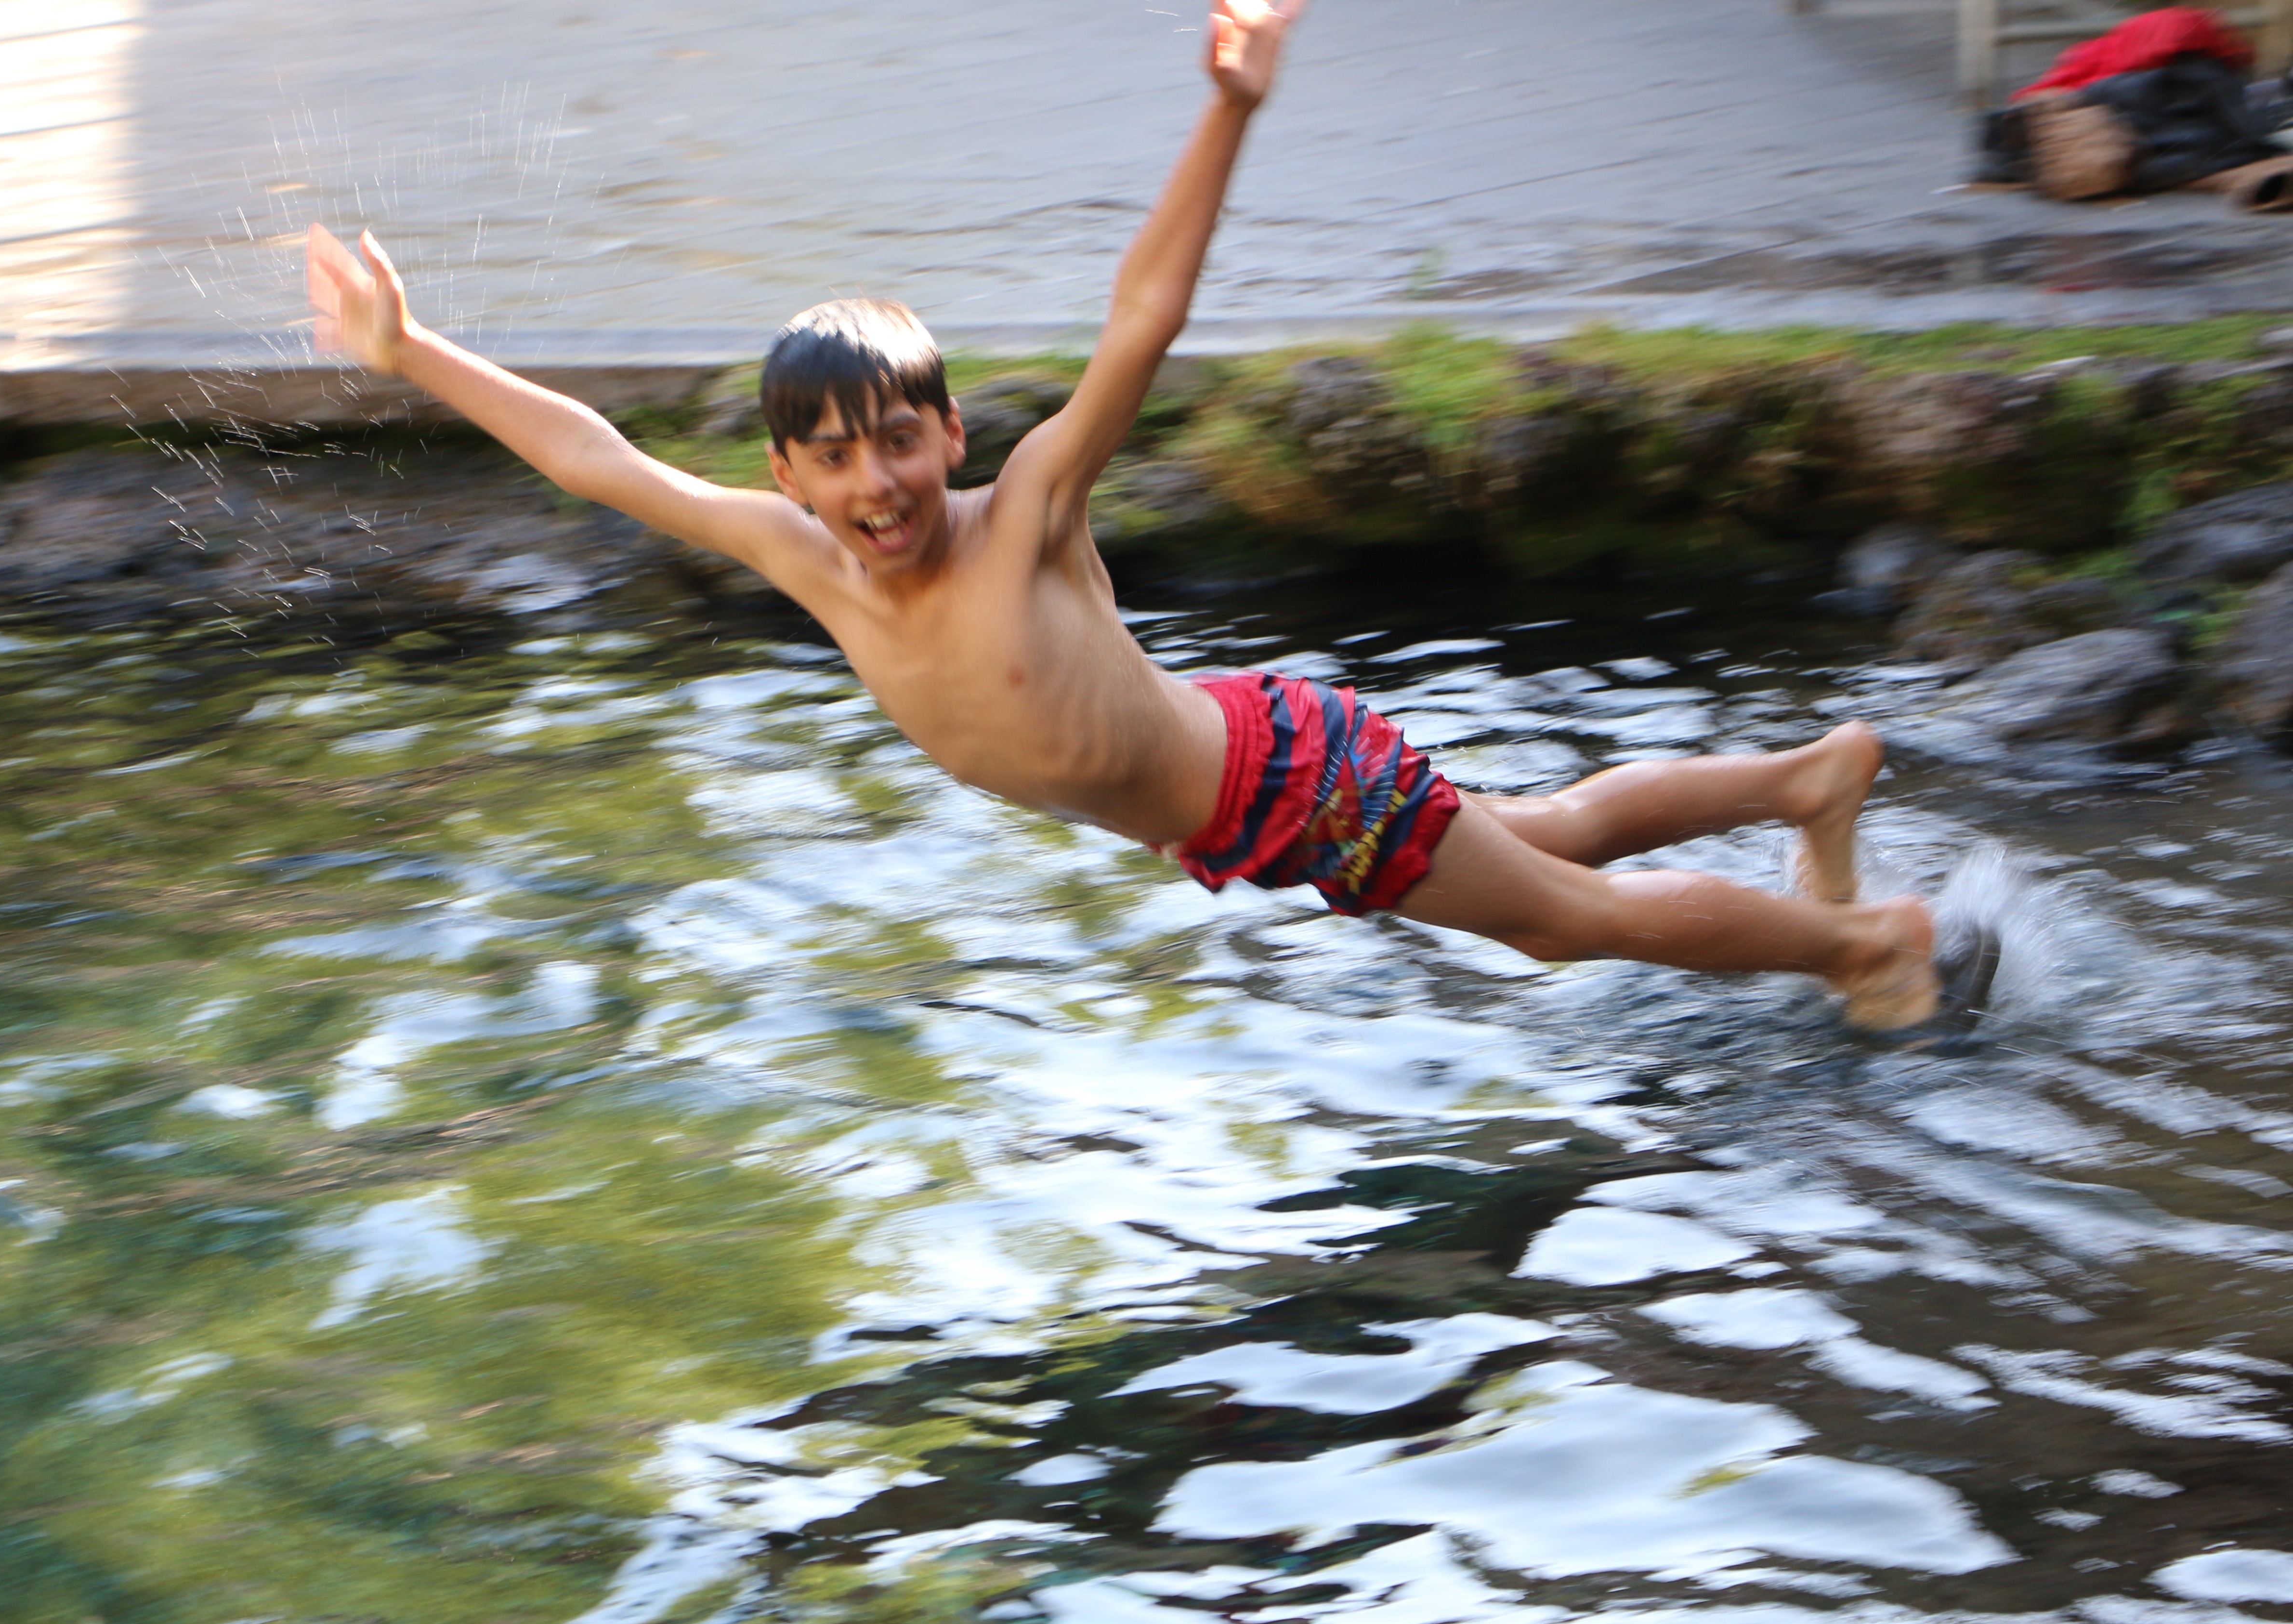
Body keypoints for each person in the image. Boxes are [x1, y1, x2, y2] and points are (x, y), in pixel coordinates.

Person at [305, 0, 1984, 1037]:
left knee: (1569, 929)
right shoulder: (799, 559)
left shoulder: (1023, 513)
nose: (876, 485)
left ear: (949, 434)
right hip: (1261, 790)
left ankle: (1861, 942)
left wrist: (1231, 105)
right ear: (792, 475)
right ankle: (1805, 777)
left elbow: (1141, 325)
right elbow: (599, 459)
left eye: (901, 443)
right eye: (833, 459)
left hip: (1284, 780)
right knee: (1541, 838)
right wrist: (408, 352)